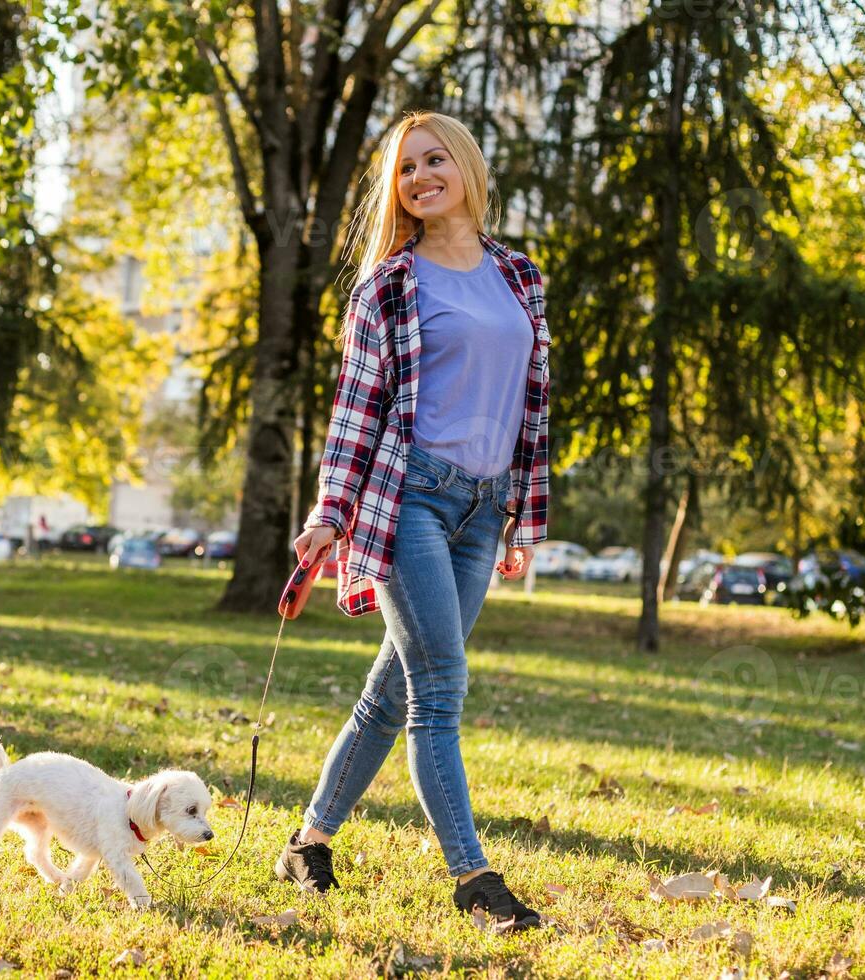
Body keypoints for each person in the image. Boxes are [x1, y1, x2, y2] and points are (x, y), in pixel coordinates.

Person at [277, 111, 552, 931]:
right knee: (439, 687)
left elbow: (532, 406)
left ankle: (307, 842)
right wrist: (332, 513)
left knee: (392, 688)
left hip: (484, 505)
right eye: (405, 168)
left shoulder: (520, 274)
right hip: (409, 502)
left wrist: (522, 520)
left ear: (466, 166)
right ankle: (474, 881)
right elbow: (356, 410)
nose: (421, 176)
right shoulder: (390, 285)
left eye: (435, 160)